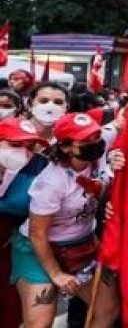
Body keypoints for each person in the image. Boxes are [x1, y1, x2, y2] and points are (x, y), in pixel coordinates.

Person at [12, 113, 122, 328]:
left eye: (96, 136)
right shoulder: (51, 182)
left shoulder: (101, 147)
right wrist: (56, 274)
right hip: (39, 249)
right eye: (86, 140)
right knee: (39, 323)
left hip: (83, 247)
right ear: (65, 147)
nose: (95, 142)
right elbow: (38, 234)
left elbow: (123, 120)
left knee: (107, 311)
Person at [0, 118, 50, 328]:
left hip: (10, 250)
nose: (24, 152)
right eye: (14, 145)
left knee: (9, 311)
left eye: (30, 146)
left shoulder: (39, 168)